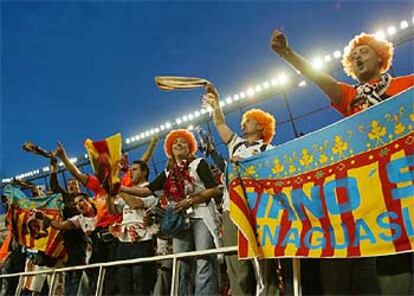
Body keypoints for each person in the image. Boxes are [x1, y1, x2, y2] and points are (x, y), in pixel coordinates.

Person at [271, 30, 414, 295]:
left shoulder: (407, 86)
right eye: (353, 55)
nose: (357, 56)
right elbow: (319, 79)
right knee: (393, 269)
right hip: (383, 202)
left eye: (364, 51)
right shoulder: (349, 97)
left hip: (409, 184)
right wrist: (288, 54)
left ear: (381, 56)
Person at [121, 129, 221, 296]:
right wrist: (120, 188)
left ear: (190, 147)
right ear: (169, 149)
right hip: (180, 221)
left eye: (183, 141)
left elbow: (214, 189)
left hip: (202, 216)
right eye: (174, 142)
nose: (178, 144)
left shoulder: (199, 164)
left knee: (204, 259)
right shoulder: (168, 173)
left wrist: (190, 200)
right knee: (182, 262)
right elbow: (147, 191)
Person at [202, 83, 279, 296]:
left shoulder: (270, 151)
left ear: (262, 126)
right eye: (243, 121)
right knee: (235, 262)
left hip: (258, 211)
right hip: (231, 210)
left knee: (262, 259)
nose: (243, 123)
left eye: (249, 120)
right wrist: (215, 104)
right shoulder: (235, 144)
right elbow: (219, 123)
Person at [105, 160, 158, 295]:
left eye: (134, 169)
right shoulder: (129, 190)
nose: (130, 172)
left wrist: (118, 188)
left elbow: (136, 204)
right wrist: (108, 193)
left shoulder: (151, 189)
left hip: (142, 240)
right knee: (124, 281)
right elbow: (113, 210)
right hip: (124, 242)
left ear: (144, 171)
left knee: (141, 281)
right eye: (130, 170)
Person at [50, 157, 88, 296]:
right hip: (66, 242)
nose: (72, 186)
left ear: (80, 187)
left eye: (75, 184)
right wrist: (53, 168)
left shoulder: (85, 201)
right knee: (68, 273)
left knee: (77, 272)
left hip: (79, 241)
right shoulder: (66, 199)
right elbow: (54, 186)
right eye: (69, 184)